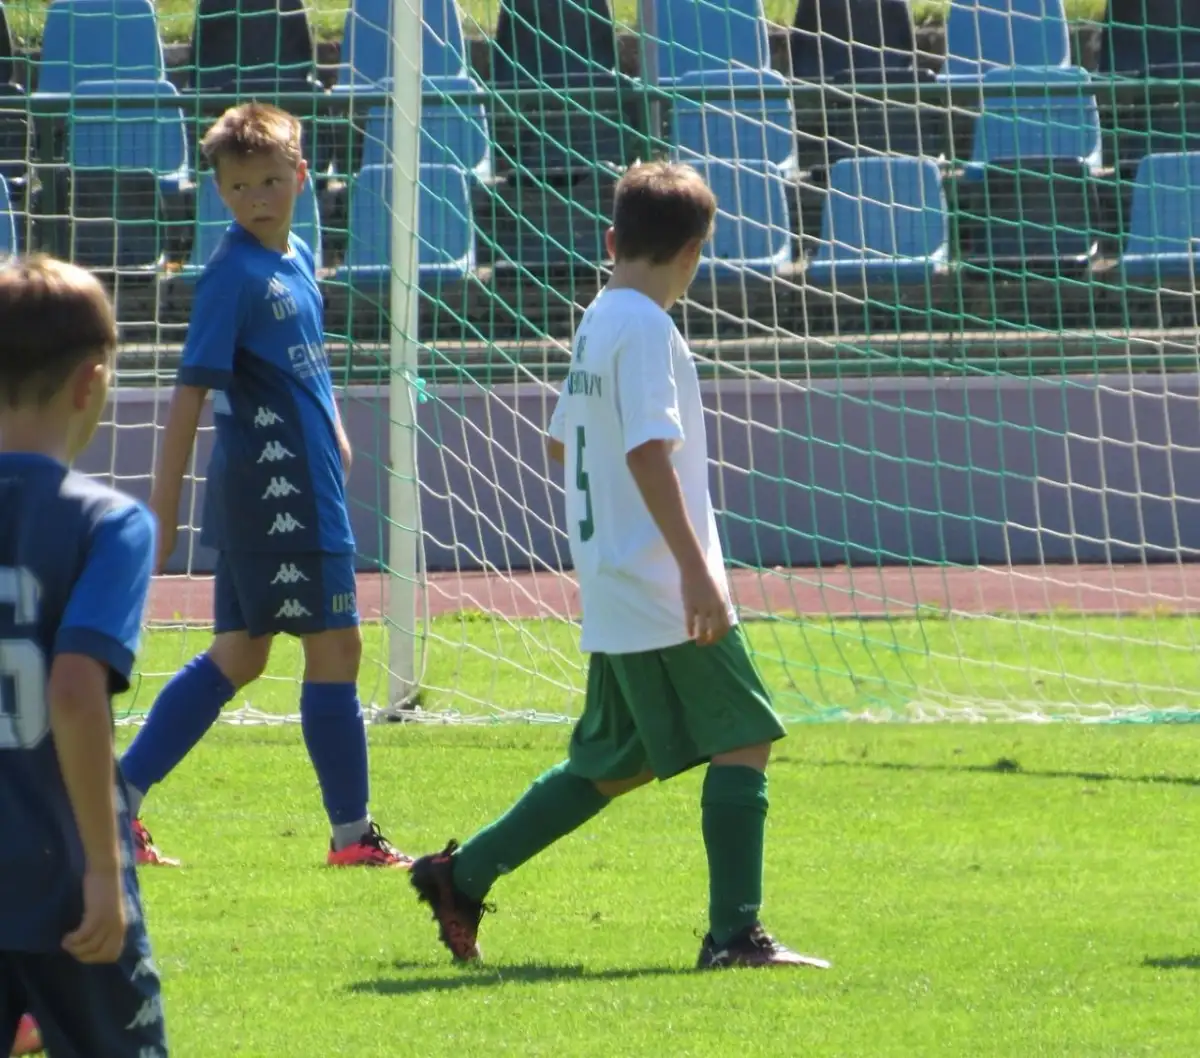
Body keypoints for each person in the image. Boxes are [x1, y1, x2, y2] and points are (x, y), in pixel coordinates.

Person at [411, 161, 830, 970]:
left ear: (612, 241)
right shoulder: (645, 327)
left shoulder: (601, 316)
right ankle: (733, 937)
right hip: (656, 580)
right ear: (694, 253)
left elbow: (560, 442)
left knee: (616, 760)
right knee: (745, 736)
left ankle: (460, 876)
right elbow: (644, 451)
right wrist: (698, 573)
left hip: (612, 576)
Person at [118, 103, 408, 869]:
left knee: (241, 655)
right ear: (219, 190)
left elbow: (306, 357)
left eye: (271, 181)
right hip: (279, 488)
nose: (256, 198)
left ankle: (118, 800)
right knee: (336, 645)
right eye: (239, 186)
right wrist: (163, 509)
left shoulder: (296, 255)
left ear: (301, 176)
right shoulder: (232, 276)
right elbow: (190, 392)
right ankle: (352, 836)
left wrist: (335, 426)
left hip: (299, 478)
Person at [0, 255, 168, 1056]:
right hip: (64, 876)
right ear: (90, 382)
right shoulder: (109, 523)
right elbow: (72, 689)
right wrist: (105, 866)